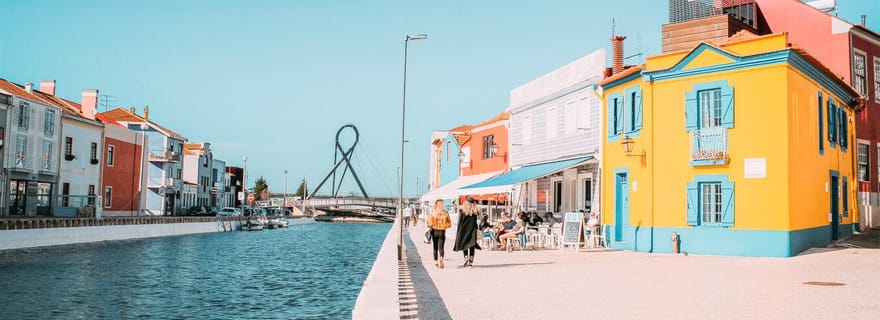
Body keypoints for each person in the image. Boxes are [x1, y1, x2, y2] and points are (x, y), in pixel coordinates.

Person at [453, 196, 481, 268]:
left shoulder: (462, 210)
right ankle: (470, 262)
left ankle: (466, 257)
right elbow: (476, 221)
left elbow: (460, 221)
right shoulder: (475, 211)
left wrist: (458, 231)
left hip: (464, 229)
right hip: (472, 229)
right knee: (472, 245)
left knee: (464, 244)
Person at [427, 199, 452, 269]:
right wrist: (443, 226)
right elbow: (449, 224)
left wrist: (432, 225)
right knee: (441, 247)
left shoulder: (433, 213)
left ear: (436, 205)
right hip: (442, 232)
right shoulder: (446, 213)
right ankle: (441, 258)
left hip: (434, 231)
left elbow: (430, 223)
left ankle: (435, 263)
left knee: (435, 247)